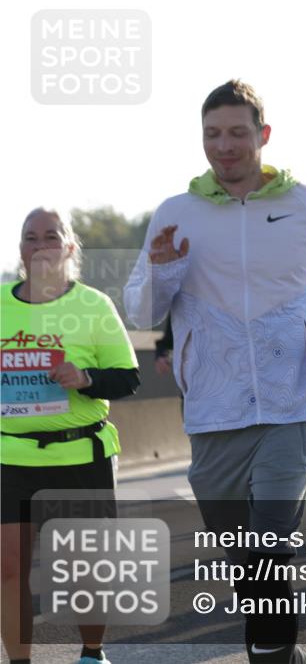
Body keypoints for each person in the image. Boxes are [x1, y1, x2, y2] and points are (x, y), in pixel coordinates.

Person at [124, 80, 306, 664]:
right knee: (245, 561)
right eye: (213, 134)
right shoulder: (177, 213)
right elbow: (141, 311)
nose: (225, 146)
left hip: (293, 401)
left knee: (269, 545)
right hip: (214, 411)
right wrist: (162, 271)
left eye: (237, 133)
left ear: (264, 135)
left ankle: (272, 657)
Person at [2, 208, 140, 664]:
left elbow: (128, 377)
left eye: (51, 236)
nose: (41, 245)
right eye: (31, 237)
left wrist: (85, 378)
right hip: (11, 457)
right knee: (8, 569)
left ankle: (92, 653)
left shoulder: (93, 306)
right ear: (21, 250)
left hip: (80, 455)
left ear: (69, 247)